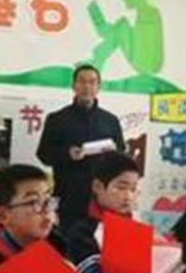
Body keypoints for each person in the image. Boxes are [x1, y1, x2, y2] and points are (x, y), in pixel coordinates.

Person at [37, 63, 125, 226]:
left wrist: (110, 155)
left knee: (98, 240)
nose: (87, 86)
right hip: (67, 197)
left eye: (92, 82)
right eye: (82, 81)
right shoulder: (57, 119)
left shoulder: (110, 121)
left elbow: (121, 155)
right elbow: (43, 154)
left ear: (98, 87)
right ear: (74, 86)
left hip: (101, 199)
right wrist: (67, 153)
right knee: (64, 238)